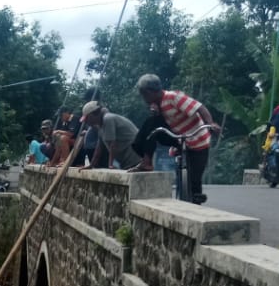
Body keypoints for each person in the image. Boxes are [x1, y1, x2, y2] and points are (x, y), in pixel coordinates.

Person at [131, 74, 220, 205]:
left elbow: (199, 107)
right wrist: (156, 113)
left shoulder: (173, 97)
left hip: (198, 140)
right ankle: (147, 161)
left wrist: (210, 123)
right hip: (179, 139)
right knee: (151, 124)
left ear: (149, 92)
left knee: (195, 180)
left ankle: (196, 201)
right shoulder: (156, 104)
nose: (144, 99)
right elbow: (162, 122)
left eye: (144, 95)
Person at [80, 101, 142, 171]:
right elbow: (99, 148)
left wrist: (110, 164)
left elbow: (112, 144)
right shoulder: (100, 126)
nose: (86, 122)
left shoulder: (108, 119)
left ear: (93, 115)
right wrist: (91, 165)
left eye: (87, 119)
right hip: (126, 160)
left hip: (134, 158)